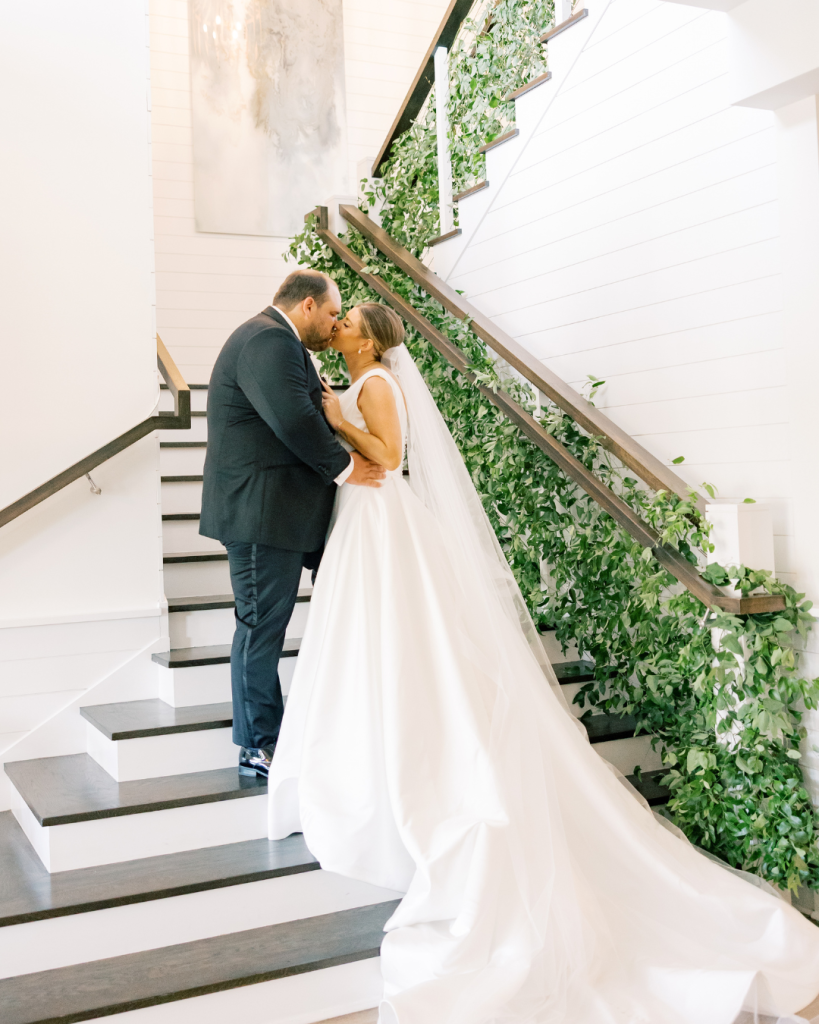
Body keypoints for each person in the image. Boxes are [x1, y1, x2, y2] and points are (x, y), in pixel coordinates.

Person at [268, 301, 819, 1024]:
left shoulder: (372, 382)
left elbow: (392, 455)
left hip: (382, 518)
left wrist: (336, 420)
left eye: (343, 323)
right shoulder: (361, 377)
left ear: (366, 338)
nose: (333, 328)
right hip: (367, 523)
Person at [199, 271, 385, 779]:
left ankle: (336, 721)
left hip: (289, 511)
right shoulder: (267, 340)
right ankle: (258, 745)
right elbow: (293, 420)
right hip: (262, 514)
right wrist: (348, 469)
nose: (332, 325)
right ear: (307, 306)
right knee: (261, 628)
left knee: (341, 609)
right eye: (330, 314)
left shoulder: (282, 343)